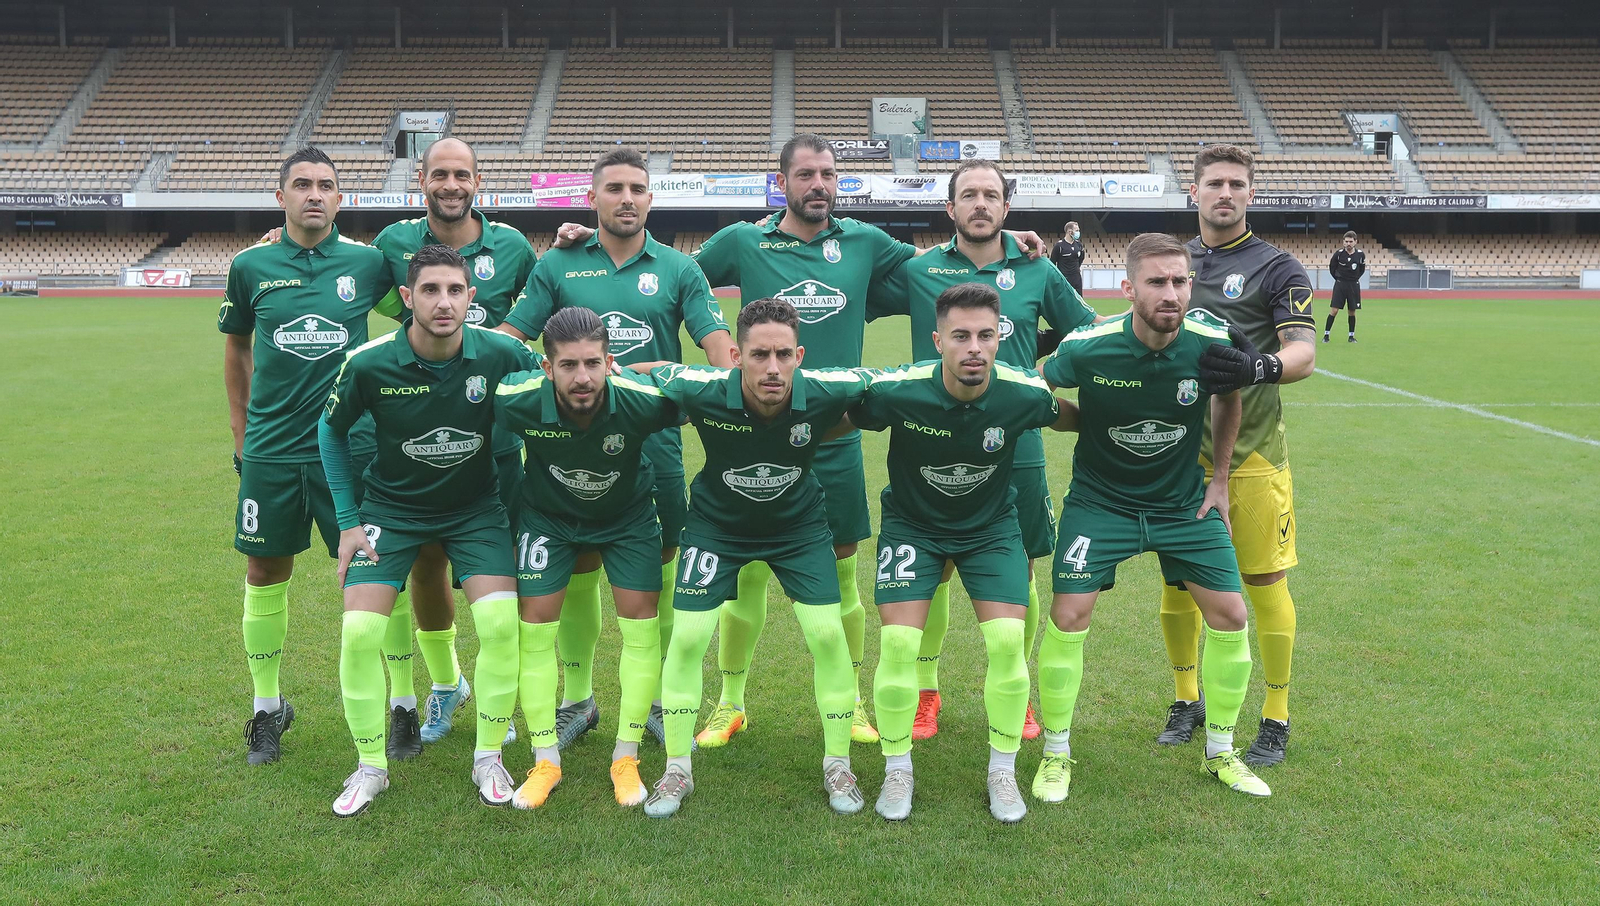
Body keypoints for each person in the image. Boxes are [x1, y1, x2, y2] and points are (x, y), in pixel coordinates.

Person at [548, 134, 1045, 752]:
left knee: (841, 576)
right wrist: (585, 242)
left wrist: (1013, 245)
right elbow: (667, 279)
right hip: (755, 438)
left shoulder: (866, 243)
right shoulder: (742, 240)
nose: (819, 184)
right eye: (806, 174)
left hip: (831, 435)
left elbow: (942, 265)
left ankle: (857, 701)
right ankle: (731, 703)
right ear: (779, 182)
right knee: (744, 581)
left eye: (829, 174)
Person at [259, 137, 537, 752]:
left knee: (505, 596)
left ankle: (511, 713)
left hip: (494, 446)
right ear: (422, 180)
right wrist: (275, 250)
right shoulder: (387, 247)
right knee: (426, 566)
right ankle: (442, 687)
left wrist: (577, 243)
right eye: (440, 173)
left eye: (462, 173)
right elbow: (357, 281)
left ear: (478, 181)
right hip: (412, 432)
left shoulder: (515, 246)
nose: (451, 184)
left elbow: (545, 313)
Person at [499, 147, 733, 750]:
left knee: (653, 573)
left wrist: (732, 400)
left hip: (653, 449)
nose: (627, 199)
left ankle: (651, 699)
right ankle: (578, 700)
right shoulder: (558, 264)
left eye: (637, 189)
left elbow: (716, 345)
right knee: (575, 567)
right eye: (615, 189)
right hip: (568, 450)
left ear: (650, 199)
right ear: (593, 198)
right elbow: (510, 339)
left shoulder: (681, 269)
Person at [867, 159, 1100, 742]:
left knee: (1015, 568)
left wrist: (1046, 361)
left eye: (990, 195)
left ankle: (1014, 690)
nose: (979, 205)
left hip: (1015, 444)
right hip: (930, 440)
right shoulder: (919, 270)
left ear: (1006, 206)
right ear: (950, 209)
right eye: (967, 195)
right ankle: (925, 691)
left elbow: (1089, 331)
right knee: (933, 571)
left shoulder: (1038, 270)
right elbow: (845, 286)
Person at [1037, 232, 1269, 800]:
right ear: (1128, 287)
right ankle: (1055, 754)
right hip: (1099, 504)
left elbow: (1229, 393)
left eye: (1180, 281)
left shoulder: (1211, 339)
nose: (1172, 293)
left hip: (1182, 503)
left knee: (1233, 615)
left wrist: (1218, 479)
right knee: (1068, 617)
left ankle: (1221, 752)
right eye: (1157, 282)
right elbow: (1036, 389)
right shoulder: (1088, 345)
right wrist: (1078, 421)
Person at [318, 244, 537, 816]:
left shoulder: (502, 354)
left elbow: (557, 399)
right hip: (389, 511)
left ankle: (488, 756)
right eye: (431, 291)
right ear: (409, 297)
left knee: (498, 624)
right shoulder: (368, 362)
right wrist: (347, 523)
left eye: (455, 290)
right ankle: (371, 768)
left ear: (472, 297)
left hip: (476, 510)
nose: (444, 303)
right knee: (360, 634)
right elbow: (330, 432)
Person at [849, 282, 1076, 823]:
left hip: (992, 529)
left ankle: (1002, 770)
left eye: (984, 335)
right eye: (960, 336)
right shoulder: (898, 389)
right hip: (912, 528)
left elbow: (1074, 418)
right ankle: (897, 768)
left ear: (1000, 338)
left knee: (1005, 640)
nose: (973, 346)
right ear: (938, 340)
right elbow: (841, 413)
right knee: (900, 644)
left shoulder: (1023, 391)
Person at [641, 298, 871, 818]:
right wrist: (609, 368)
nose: (772, 367)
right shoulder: (701, 388)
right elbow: (651, 370)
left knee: (827, 633)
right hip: (716, 527)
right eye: (759, 354)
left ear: (799, 355)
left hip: (799, 527)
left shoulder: (828, 389)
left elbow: (891, 381)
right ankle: (677, 768)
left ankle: (838, 762)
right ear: (736, 356)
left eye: (783, 355)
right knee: (689, 636)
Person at [221, 146, 395, 765]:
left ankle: (399, 706)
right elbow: (237, 349)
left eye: (326, 185)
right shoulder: (251, 265)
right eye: (302, 185)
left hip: (351, 448)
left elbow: (432, 303)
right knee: (266, 572)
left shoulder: (370, 264)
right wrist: (241, 434)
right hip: (271, 450)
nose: (314, 194)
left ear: (340, 199)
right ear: (281, 197)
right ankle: (267, 710)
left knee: (374, 573)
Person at [1156, 143, 1316, 768]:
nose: (1225, 193)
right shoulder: (1175, 263)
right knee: (1178, 584)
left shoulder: (1278, 268)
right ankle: (1185, 698)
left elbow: (1302, 353)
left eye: (1237, 183)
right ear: (1193, 192)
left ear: (1251, 193)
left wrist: (1262, 365)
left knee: (1263, 582)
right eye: (1214, 183)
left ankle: (1275, 714)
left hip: (1251, 459)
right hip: (1175, 457)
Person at [494, 307, 685, 809]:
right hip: (549, 521)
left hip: (627, 520)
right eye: (569, 365)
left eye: (593, 364)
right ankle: (545, 759)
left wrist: (653, 370)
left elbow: (709, 390)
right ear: (546, 367)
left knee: (641, 627)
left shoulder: (640, 402)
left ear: (610, 362)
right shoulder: (515, 400)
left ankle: (626, 757)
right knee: (533, 627)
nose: (582, 377)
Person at [1326, 231, 1364, 343]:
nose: (1348, 244)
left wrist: (1354, 279)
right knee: (1334, 310)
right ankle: (1326, 335)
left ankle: (1351, 336)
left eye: (1351, 241)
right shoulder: (1338, 254)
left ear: (1355, 242)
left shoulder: (1360, 255)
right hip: (1340, 284)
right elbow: (1332, 268)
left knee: (1352, 311)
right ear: (1343, 242)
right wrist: (1339, 279)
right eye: (1346, 241)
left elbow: (1361, 270)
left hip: (1353, 285)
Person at [1050, 221, 1086, 296]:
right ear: (1070, 232)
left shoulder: (1079, 245)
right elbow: (1052, 262)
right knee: (1064, 301)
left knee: (1078, 301)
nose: (1078, 232)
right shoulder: (1059, 246)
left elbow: (1081, 258)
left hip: (1077, 277)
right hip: (1064, 278)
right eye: (1076, 230)